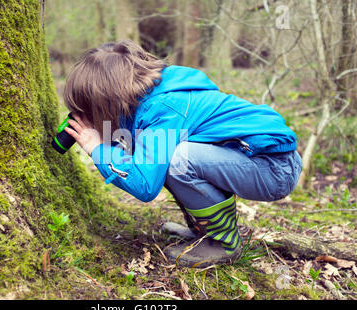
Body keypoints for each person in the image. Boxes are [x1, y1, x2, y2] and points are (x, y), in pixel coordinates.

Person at [62, 40, 303, 268]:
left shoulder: (163, 107)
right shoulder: (155, 92)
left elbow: (145, 184)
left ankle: (223, 243)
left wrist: (98, 148)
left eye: (92, 109)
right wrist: (107, 137)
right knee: (165, 158)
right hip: (260, 160)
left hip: (273, 167)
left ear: (108, 100)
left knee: (178, 160)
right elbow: (138, 149)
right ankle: (205, 232)